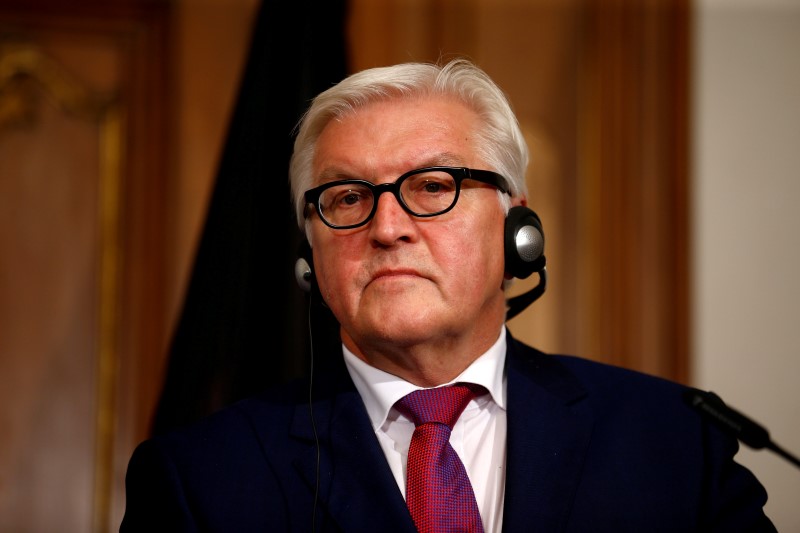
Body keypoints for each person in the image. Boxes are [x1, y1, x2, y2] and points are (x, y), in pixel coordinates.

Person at [120, 58, 776, 532]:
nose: (386, 227)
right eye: (347, 197)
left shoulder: (674, 444)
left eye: (433, 186)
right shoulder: (197, 479)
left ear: (517, 228)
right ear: (310, 255)